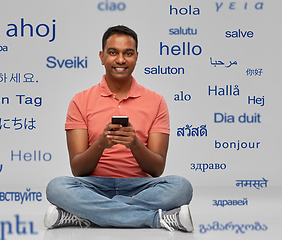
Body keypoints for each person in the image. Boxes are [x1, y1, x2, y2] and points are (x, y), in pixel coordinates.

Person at [44, 25, 194, 232]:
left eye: (128, 53)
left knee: (181, 187)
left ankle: (84, 214)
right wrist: (101, 144)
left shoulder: (156, 101)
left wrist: (134, 144)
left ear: (136, 57)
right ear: (102, 56)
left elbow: (157, 169)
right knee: (57, 187)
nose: (121, 60)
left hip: (140, 188)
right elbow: (78, 170)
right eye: (113, 52)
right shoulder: (80, 101)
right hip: (93, 187)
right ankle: (157, 220)